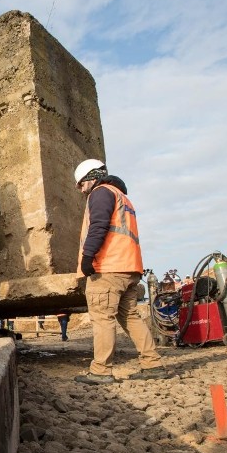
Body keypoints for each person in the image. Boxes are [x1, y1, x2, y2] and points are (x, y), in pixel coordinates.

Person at [72, 159, 167, 385]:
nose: (80, 189)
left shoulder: (101, 193)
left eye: (81, 184)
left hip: (108, 268)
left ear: (91, 177)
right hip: (129, 267)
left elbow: (99, 225)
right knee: (131, 317)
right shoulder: (123, 197)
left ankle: (101, 370)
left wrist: (87, 257)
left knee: (102, 318)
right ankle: (152, 364)